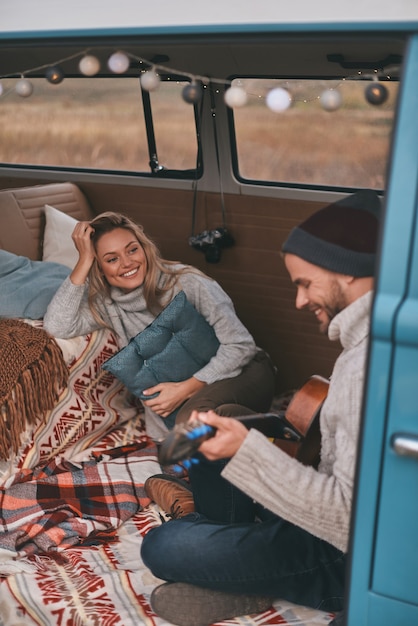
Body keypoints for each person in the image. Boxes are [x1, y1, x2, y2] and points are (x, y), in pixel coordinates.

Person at [140, 189, 381, 626]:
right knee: (220, 428)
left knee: (163, 546)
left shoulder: (372, 366)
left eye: (306, 283)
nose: (300, 301)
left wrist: (252, 456)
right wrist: (241, 439)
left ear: (346, 272)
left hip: (343, 558)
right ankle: (241, 561)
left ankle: (247, 575)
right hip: (315, 512)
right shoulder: (361, 344)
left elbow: (351, 525)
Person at [43, 211, 276, 441]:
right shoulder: (107, 304)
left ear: (144, 248)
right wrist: (84, 260)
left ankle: (278, 435)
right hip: (205, 398)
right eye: (112, 259)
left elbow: (241, 346)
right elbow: (57, 326)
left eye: (132, 249)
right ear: (100, 268)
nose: (127, 263)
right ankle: (269, 435)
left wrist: (186, 388)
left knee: (191, 425)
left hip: (247, 373)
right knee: (188, 435)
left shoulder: (188, 282)